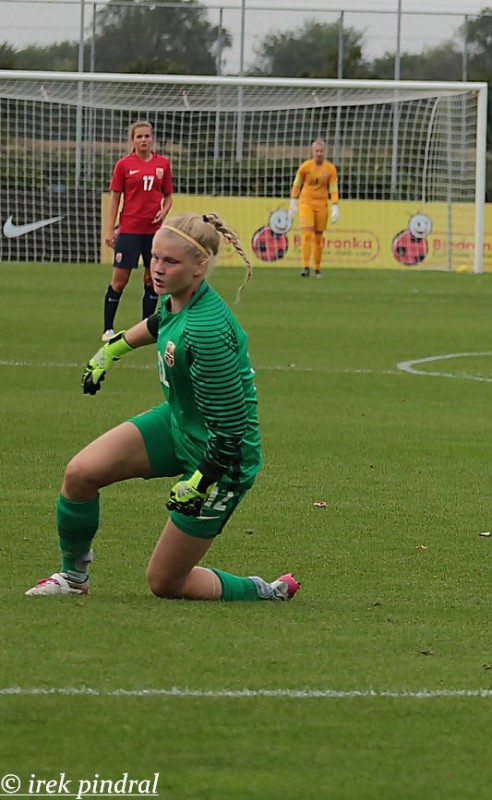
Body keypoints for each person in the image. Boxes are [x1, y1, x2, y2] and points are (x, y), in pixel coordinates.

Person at [26, 212, 299, 602]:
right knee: (80, 474)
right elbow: (158, 322)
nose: (157, 268)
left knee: (166, 583)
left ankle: (263, 590)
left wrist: (200, 481)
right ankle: (73, 579)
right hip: (178, 426)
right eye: (155, 257)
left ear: (200, 266)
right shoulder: (179, 298)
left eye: (170, 262)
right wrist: (112, 350)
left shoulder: (207, 330)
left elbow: (232, 429)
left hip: (221, 461)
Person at [101, 120, 173, 343]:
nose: (143, 140)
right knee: (119, 280)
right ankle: (108, 328)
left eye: (146, 136)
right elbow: (115, 198)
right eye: (139, 137)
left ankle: (145, 327)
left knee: (151, 279)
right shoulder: (124, 165)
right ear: (132, 140)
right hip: (129, 231)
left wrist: (164, 211)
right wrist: (110, 230)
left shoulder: (163, 163)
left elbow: (168, 196)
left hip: (154, 233)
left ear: (152, 139)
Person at [289, 139, 340, 278]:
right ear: (312, 152)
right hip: (306, 203)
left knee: (318, 237)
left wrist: (335, 205)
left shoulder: (330, 169)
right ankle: (305, 267)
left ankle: (317, 268)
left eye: (321, 151)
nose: (319, 153)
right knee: (307, 235)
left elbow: (333, 188)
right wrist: (293, 201)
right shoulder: (305, 167)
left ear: (325, 152)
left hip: (322, 204)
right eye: (316, 151)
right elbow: (297, 184)